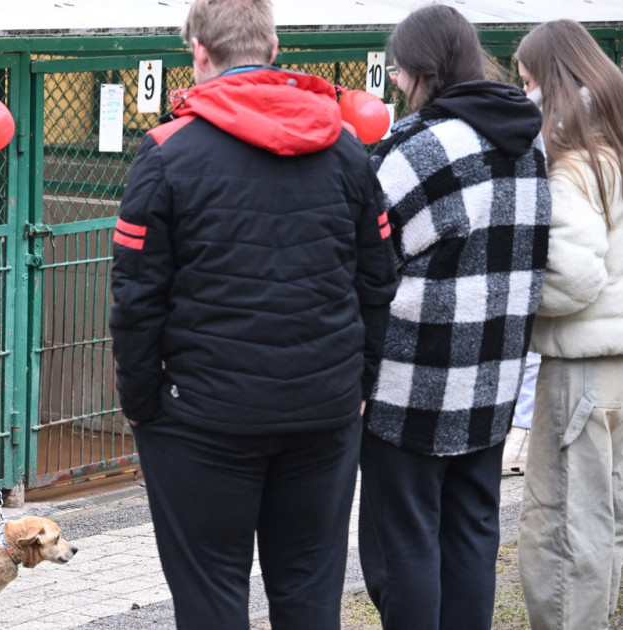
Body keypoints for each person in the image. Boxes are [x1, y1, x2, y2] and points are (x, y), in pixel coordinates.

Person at [108, 0, 398, 627]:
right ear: (273, 51)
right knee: (309, 588)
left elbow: (135, 298)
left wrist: (142, 401)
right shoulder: (345, 147)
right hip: (322, 412)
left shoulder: (165, 153)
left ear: (199, 53)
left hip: (203, 419)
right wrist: (358, 384)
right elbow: (378, 277)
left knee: (210, 591)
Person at [359, 5, 549, 629]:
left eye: (398, 72)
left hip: (411, 387)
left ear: (421, 71)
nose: (396, 85)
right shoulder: (530, 143)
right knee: (472, 535)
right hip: (494, 379)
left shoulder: (415, 148)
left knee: (403, 543)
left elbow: (368, 261)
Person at [513, 19, 623, 630]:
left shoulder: (572, 162)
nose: (523, 92)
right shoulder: (617, 146)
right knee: (607, 524)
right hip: (618, 365)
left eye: (528, 80)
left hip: (580, 372)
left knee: (563, 529)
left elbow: (576, 276)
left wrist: (519, 298)